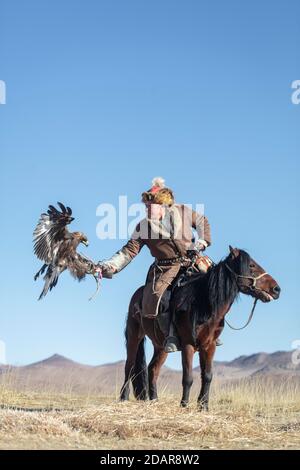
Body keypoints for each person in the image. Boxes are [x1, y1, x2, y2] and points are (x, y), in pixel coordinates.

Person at [96, 177, 212, 352]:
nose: (147, 209)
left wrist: (203, 240)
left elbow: (202, 222)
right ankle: (171, 335)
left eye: (150, 205)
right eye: (145, 206)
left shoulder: (183, 212)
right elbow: (129, 250)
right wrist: (111, 266)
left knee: (215, 285)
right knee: (164, 297)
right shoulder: (143, 226)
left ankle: (213, 330)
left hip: (193, 262)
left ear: (163, 205)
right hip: (166, 269)